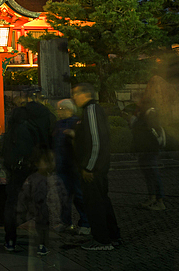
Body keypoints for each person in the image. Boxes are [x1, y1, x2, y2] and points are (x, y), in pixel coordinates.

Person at [0, 97, 54, 252]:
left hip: (16, 170)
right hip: (37, 168)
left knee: (12, 204)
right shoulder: (38, 126)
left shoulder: (14, 128)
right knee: (40, 204)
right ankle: (42, 243)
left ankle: (10, 240)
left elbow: (5, 151)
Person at [72, 82, 122, 251]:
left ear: (85, 94)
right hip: (97, 167)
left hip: (93, 169)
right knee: (102, 202)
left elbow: (96, 140)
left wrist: (88, 167)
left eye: (75, 94)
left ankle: (102, 240)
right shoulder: (91, 110)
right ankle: (112, 236)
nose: (74, 98)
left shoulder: (91, 110)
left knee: (95, 205)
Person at [54, 99, 90, 235]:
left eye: (61, 109)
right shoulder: (58, 124)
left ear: (69, 109)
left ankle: (86, 222)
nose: (59, 112)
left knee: (79, 195)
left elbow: (84, 142)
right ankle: (66, 222)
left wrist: (74, 135)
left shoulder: (77, 122)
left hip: (74, 165)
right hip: (61, 165)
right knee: (63, 195)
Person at [131, 98, 166, 210]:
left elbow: (147, 131)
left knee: (153, 174)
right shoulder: (143, 114)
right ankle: (152, 198)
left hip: (149, 150)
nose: (137, 103)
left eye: (139, 102)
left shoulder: (150, 114)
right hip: (144, 150)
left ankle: (160, 201)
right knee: (148, 175)